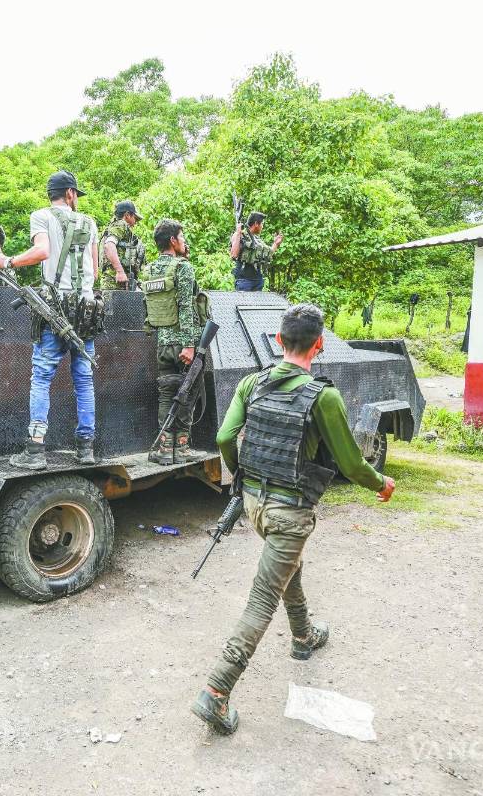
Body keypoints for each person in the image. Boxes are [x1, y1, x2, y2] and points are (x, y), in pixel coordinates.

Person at [190, 303, 397, 735]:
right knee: (263, 597)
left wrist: (241, 472)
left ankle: (303, 636)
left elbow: (225, 437)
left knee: (287, 567)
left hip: (253, 506)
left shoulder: (252, 383)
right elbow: (351, 463)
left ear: (279, 342)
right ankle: (217, 690)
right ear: (319, 344)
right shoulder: (324, 396)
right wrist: (381, 484)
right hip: (290, 513)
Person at [0, 171, 100, 469]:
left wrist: (7, 261)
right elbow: (96, 271)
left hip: (56, 310)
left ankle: (35, 450)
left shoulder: (41, 216)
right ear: (71, 194)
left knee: (42, 377)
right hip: (87, 309)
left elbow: (42, 252)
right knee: (84, 380)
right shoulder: (90, 223)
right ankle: (86, 449)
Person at [140, 219, 206, 464]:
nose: (185, 240)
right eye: (182, 236)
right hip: (184, 342)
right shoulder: (183, 268)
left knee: (167, 393)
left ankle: (165, 449)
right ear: (172, 240)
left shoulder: (149, 269)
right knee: (187, 392)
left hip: (163, 343)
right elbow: (186, 308)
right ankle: (183, 447)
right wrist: (190, 345)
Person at [230, 212, 283, 292]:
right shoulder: (240, 235)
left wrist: (275, 244)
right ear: (256, 224)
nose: (262, 227)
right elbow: (234, 254)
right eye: (262, 224)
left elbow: (267, 254)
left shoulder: (257, 240)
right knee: (244, 304)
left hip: (257, 280)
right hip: (244, 281)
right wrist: (238, 233)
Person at [99, 200, 145, 291]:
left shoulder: (110, 228)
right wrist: (120, 272)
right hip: (116, 284)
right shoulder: (121, 224)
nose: (135, 222)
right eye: (135, 218)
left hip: (113, 283)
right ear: (127, 215)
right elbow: (109, 246)